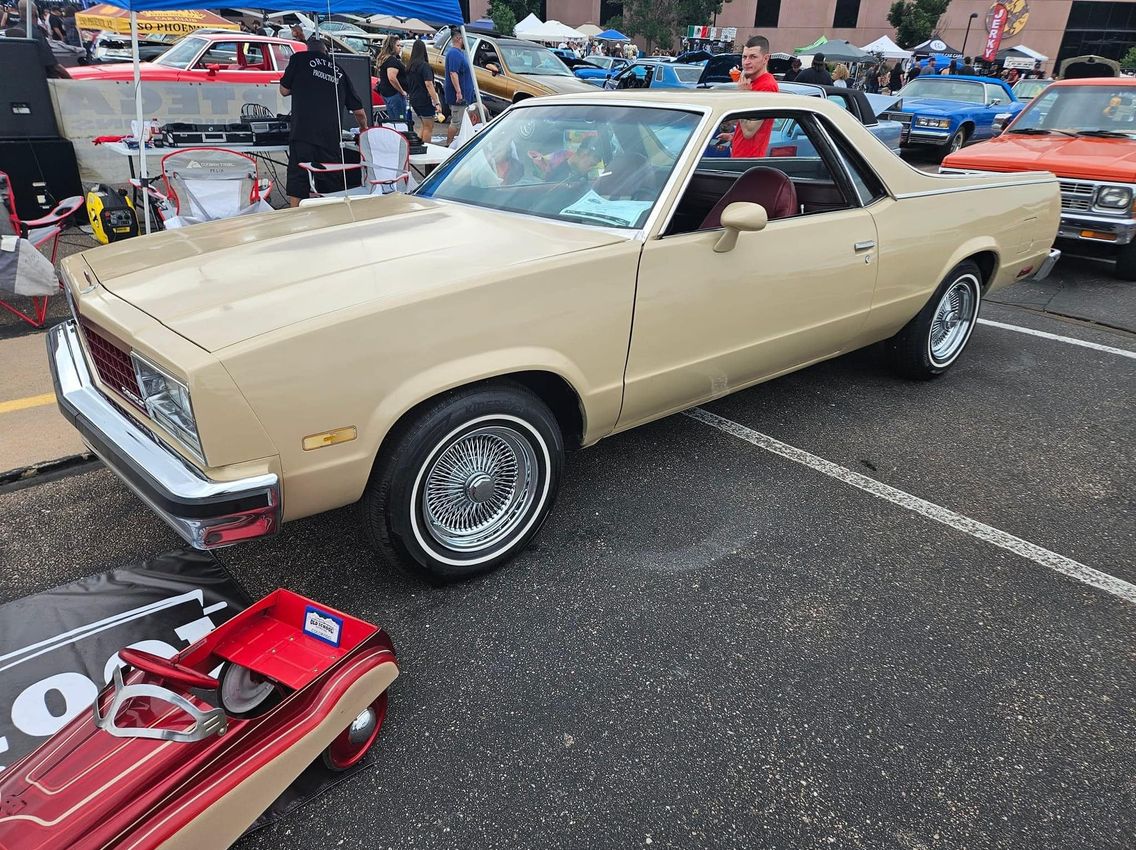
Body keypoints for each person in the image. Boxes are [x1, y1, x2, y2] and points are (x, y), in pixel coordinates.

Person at [279, 36, 368, 207]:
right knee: (329, 183)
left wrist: (301, 86)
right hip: (330, 138)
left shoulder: (298, 59)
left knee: (299, 180)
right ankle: (328, 220)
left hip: (302, 133)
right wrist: (364, 129)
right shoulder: (339, 70)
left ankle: (295, 219)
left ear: (307, 49)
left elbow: (284, 90)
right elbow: (359, 111)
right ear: (326, 52)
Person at [717, 35, 778, 158]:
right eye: (744, 57)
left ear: (766, 59)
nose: (746, 62)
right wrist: (733, 137)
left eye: (753, 57)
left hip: (749, 160)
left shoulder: (767, 86)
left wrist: (744, 95)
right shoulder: (751, 83)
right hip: (740, 156)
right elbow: (745, 122)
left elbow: (749, 131)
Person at [3, 1, 69, 78]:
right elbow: (53, 65)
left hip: (21, 79)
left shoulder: (12, 33)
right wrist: (72, 81)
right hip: (44, 80)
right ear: (35, 13)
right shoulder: (35, 34)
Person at [406, 38, 441, 144]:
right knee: (428, 127)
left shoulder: (410, 66)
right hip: (424, 99)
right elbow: (429, 84)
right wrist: (437, 102)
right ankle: (427, 149)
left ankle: (419, 145)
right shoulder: (424, 66)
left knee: (423, 124)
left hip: (414, 99)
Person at [443, 25, 474, 145]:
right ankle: (448, 145)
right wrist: (459, 92)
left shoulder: (459, 53)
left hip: (465, 96)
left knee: (462, 122)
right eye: (464, 38)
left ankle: (457, 144)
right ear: (459, 39)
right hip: (458, 98)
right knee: (456, 122)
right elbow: (453, 73)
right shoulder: (454, 54)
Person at [375, 34, 408, 122]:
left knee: (393, 119)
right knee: (400, 120)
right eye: (397, 45)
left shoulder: (384, 59)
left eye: (400, 46)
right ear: (391, 46)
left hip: (387, 93)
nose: (400, 48)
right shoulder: (391, 60)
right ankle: (401, 134)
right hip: (394, 94)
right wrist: (402, 91)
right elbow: (392, 78)